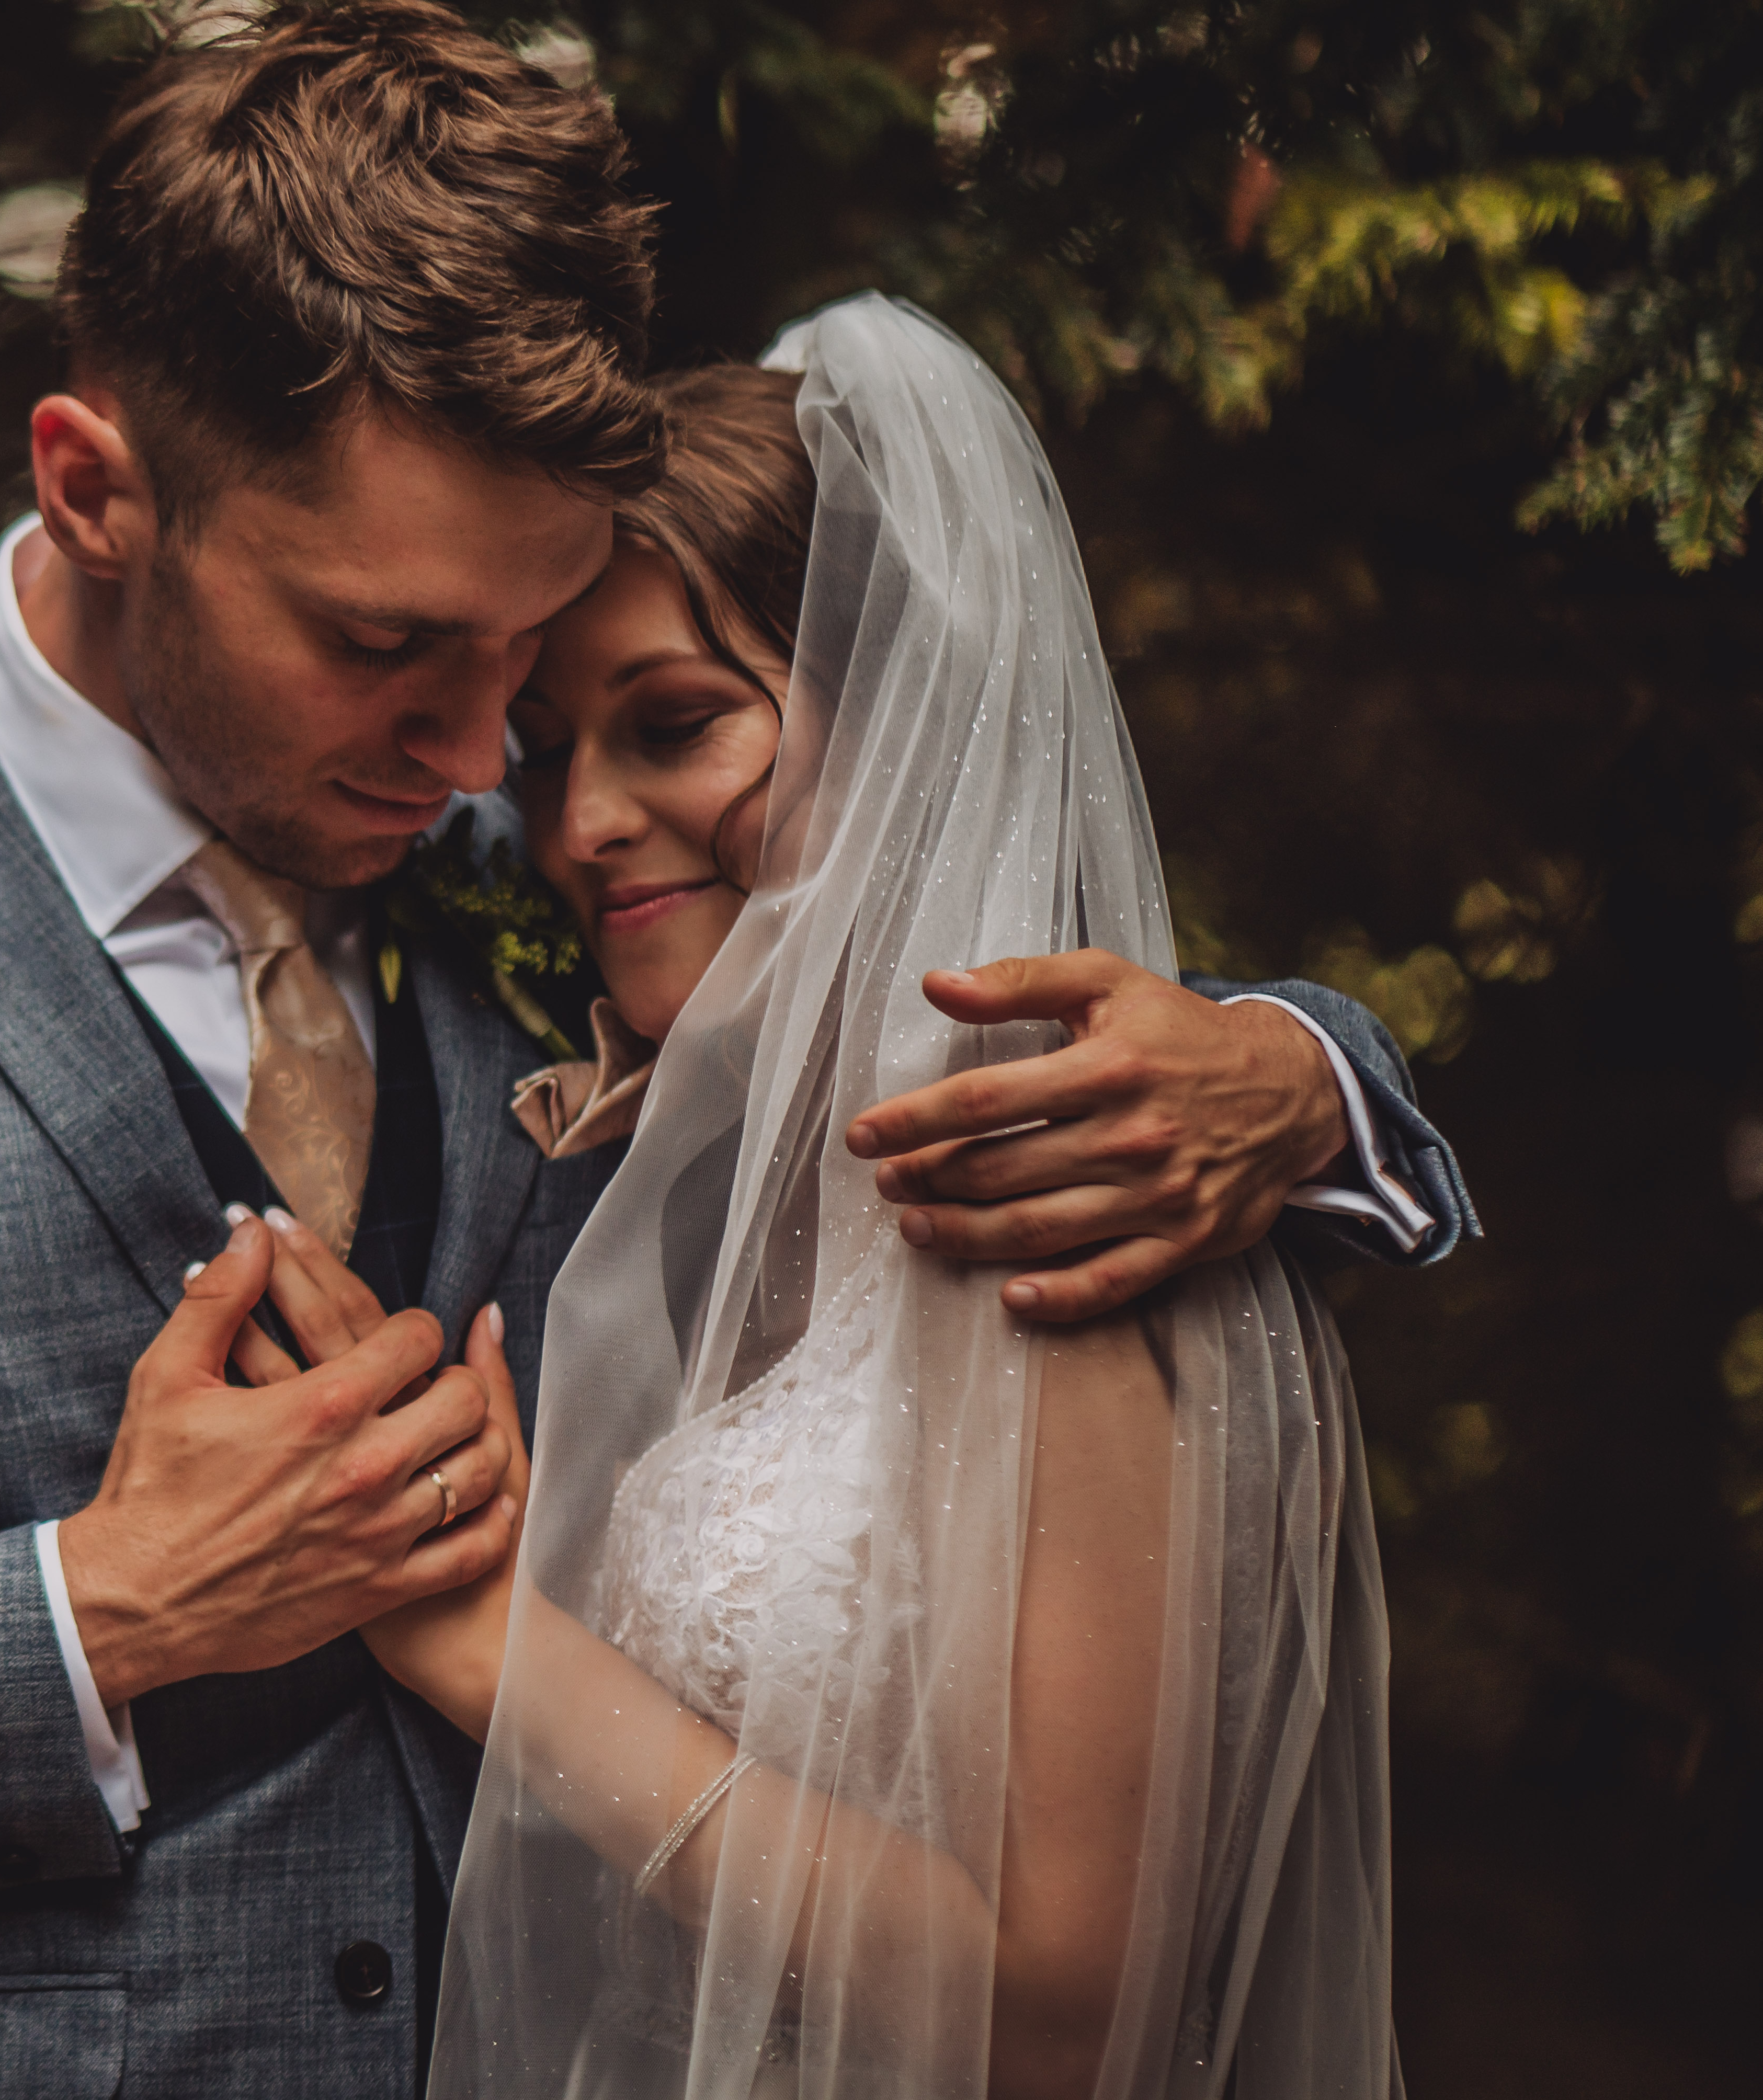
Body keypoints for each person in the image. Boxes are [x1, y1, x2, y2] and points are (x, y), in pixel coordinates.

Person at [0, 12, 1465, 2095]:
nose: (472, 762)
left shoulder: (582, 866)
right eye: (383, 646)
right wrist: (89, 1618)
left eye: (520, 655)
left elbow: (922, 965)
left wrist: (1304, 1073)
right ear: (94, 485)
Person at [235, 295, 1409, 2096]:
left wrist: (492, 1653)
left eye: (681, 724)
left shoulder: (1063, 1200)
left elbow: (1057, 2013)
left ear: (916, 728)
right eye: (555, 752)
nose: (578, 826)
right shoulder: (732, 1148)